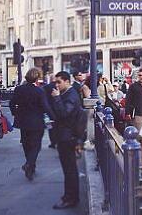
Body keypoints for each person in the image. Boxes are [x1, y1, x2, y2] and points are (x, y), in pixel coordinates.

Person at [9, 68, 56, 180]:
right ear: (37, 78)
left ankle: (30, 166)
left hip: (23, 121)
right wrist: (53, 117)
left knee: (26, 143)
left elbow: (12, 103)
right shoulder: (39, 91)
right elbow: (45, 107)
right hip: (36, 121)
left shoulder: (19, 89)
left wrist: (15, 113)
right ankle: (30, 163)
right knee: (36, 145)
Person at [51, 71, 83, 209]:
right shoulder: (67, 94)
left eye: (59, 82)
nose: (56, 85)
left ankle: (71, 198)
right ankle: (69, 196)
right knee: (68, 169)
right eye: (55, 82)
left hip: (67, 136)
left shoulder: (71, 95)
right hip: (64, 135)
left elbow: (64, 114)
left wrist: (57, 98)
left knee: (69, 169)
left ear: (67, 81)